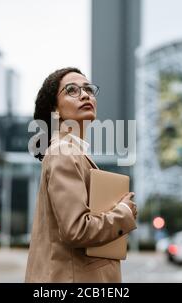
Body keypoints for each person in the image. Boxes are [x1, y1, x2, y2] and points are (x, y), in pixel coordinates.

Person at [25, 67, 138, 283]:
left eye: (88, 89)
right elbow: (76, 229)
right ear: (55, 110)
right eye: (72, 90)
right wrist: (123, 213)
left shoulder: (72, 152)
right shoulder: (64, 152)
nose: (85, 94)